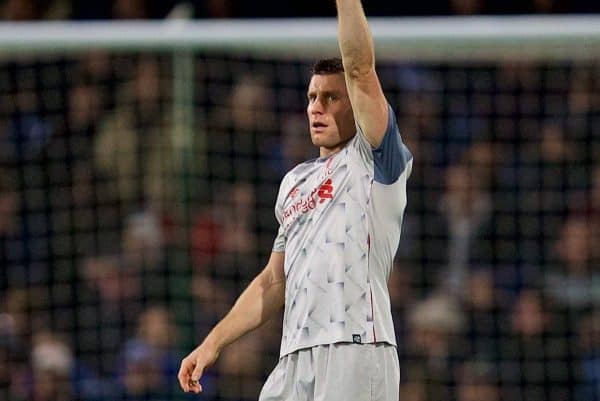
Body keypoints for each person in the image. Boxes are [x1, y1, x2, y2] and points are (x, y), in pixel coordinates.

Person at [178, 1, 413, 400]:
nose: (316, 108)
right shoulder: (293, 182)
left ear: (354, 104)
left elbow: (359, 69)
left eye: (330, 98)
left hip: (355, 347)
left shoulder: (374, 160)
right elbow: (273, 280)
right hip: (294, 357)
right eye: (311, 97)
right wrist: (212, 343)